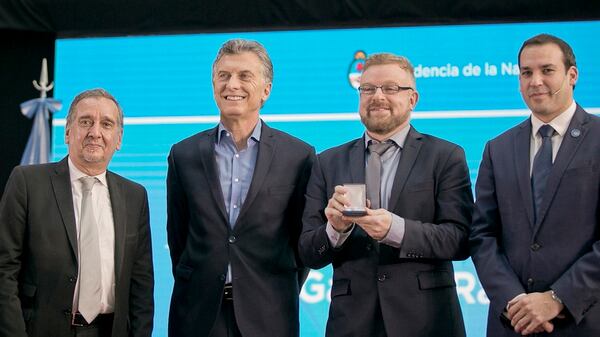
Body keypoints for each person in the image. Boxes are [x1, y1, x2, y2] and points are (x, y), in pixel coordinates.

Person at [299, 52, 473, 336]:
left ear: (412, 99)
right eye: (368, 89)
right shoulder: (327, 162)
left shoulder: (446, 156)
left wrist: (397, 229)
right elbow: (309, 252)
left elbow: (460, 239)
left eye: (391, 88)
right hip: (351, 323)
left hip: (427, 321)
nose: (377, 96)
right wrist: (335, 230)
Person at [166, 38, 315, 337]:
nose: (232, 84)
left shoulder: (298, 156)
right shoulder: (183, 154)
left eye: (244, 76)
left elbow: (302, 246)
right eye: (224, 76)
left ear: (266, 90)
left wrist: (270, 291)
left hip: (270, 316)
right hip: (197, 316)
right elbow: (179, 239)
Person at [470, 33, 600, 336]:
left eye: (547, 70)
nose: (535, 81)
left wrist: (557, 299)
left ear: (572, 75)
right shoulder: (497, 148)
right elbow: (482, 235)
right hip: (512, 323)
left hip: (586, 320)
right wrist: (515, 302)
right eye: (526, 72)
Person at [0, 88, 154, 337]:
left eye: (106, 124)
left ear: (118, 139)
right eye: (85, 122)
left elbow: (141, 285)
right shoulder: (27, 182)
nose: (95, 132)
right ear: (68, 132)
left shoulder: (135, 196)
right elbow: (4, 270)